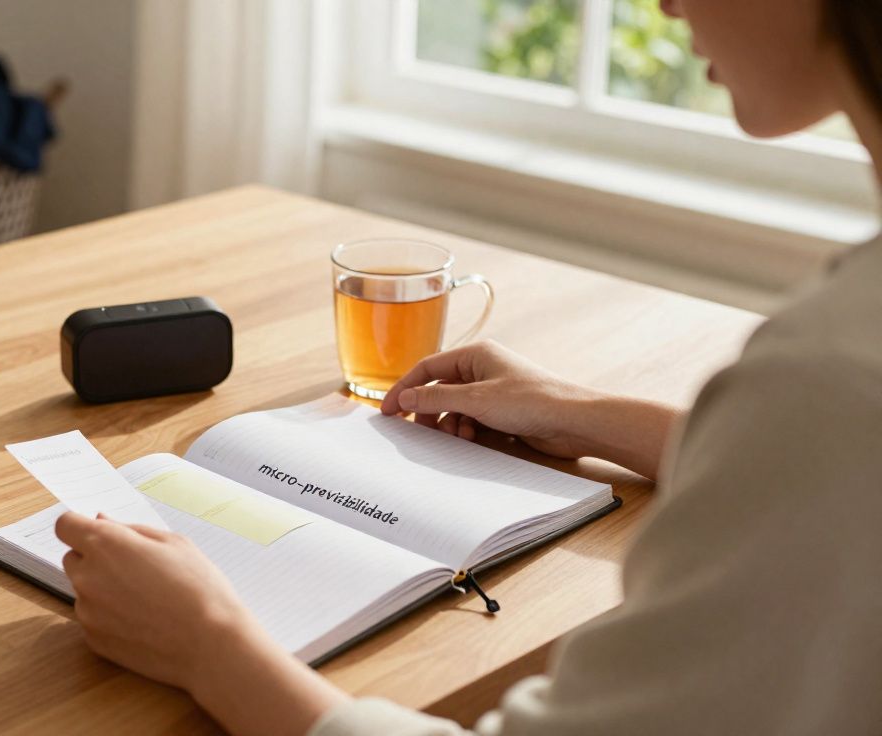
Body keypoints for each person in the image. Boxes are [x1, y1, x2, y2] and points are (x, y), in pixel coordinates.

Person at [52, 0, 882, 733]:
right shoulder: (830, 383)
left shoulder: (828, 379)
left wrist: (210, 645)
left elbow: (825, 437)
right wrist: (581, 411)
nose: (662, 4)